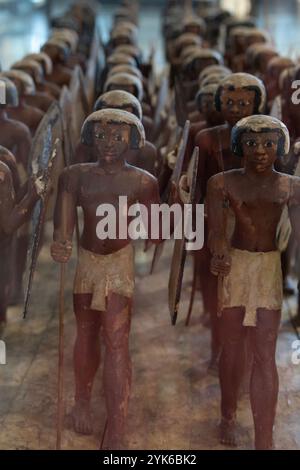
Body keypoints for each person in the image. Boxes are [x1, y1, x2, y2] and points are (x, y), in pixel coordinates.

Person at [51, 109, 161, 450]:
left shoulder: (143, 181)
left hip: (119, 263)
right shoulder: (74, 176)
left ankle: (117, 423)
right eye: (100, 136)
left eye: (117, 137)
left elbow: (156, 232)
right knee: (85, 333)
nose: (108, 144)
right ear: (89, 138)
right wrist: (61, 241)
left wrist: (177, 203)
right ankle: (82, 400)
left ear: (132, 139)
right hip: (88, 261)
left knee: (115, 340)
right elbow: (64, 224)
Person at [207, 115, 300, 450]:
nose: (260, 150)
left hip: (268, 270)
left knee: (264, 352)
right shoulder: (221, 183)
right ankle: (228, 414)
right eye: (251, 143)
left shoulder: (290, 186)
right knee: (231, 347)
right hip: (237, 266)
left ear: (280, 147)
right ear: (239, 147)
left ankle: (265, 435)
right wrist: (219, 252)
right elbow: (216, 232)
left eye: (268, 143)